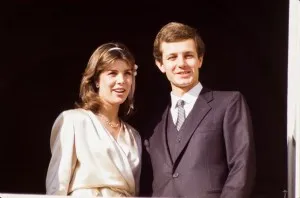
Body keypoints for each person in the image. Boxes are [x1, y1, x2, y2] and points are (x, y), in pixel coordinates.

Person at [144, 22, 256, 197]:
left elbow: (242, 167)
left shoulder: (228, 103)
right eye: (172, 57)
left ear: (200, 59)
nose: (181, 64)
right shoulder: (154, 124)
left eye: (188, 55)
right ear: (160, 64)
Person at [45, 42, 142, 197]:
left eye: (127, 73)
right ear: (97, 80)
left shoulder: (133, 136)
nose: (121, 80)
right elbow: (57, 185)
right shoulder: (73, 121)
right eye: (112, 73)